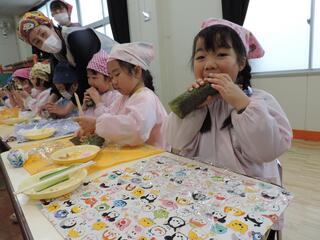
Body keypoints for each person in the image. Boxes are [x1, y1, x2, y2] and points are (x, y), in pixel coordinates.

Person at [165, 18, 292, 186]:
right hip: (203, 189)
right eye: (201, 56)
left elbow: (269, 151)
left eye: (222, 54)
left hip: (248, 194)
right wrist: (192, 107)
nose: (209, 65)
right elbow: (174, 141)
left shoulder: (261, 101)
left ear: (241, 62)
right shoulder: (198, 103)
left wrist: (243, 105)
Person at [74, 42, 168, 149]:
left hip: (156, 157)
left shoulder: (146, 97)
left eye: (117, 74)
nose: (113, 82)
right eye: (111, 76)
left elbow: (136, 130)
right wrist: (90, 128)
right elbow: (109, 116)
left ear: (137, 71)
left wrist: (96, 125)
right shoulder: (123, 98)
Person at [17, 11, 116, 109]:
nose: (44, 41)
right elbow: (56, 81)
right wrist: (49, 103)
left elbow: (84, 79)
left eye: (43, 34)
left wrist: (65, 110)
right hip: (107, 84)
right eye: (37, 42)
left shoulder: (77, 37)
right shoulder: (55, 52)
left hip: (121, 76)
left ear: (50, 25)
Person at [83, 50, 120, 116]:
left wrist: (98, 102)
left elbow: (109, 121)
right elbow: (84, 120)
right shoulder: (94, 96)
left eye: (94, 78)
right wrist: (84, 108)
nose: (90, 82)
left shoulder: (116, 97)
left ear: (109, 79)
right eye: (88, 77)